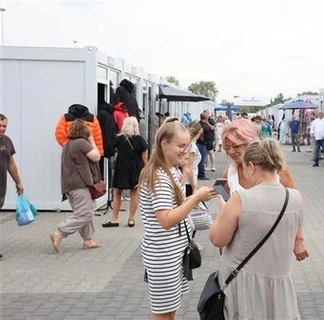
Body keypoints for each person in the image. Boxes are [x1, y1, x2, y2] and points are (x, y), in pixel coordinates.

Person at [210, 139, 303, 319]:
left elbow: (217, 239)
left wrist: (223, 209)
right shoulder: (296, 198)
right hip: (281, 283)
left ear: (251, 166)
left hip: (244, 282)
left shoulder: (241, 198)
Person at [138, 120, 217, 320]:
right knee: (163, 313)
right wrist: (196, 199)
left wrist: (191, 198)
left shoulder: (170, 170)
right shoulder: (159, 176)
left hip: (172, 252)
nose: (186, 151)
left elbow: (172, 207)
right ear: (164, 144)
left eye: (187, 146)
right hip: (163, 255)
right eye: (181, 146)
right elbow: (165, 220)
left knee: (168, 310)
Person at [220, 119, 309, 261]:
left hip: (272, 242)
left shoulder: (277, 170)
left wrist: (298, 239)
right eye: (226, 148)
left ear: (249, 142)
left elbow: (295, 205)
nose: (231, 152)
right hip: (239, 245)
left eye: (236, 146)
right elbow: (222, 203)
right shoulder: (229, 175)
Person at [50, 119, 102, 253]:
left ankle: (87, 240)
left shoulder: (68, 144)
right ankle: (60, 232)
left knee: (84, 212)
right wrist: (91, 140)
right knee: (85, 213)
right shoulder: (82, 143)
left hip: (69, 185)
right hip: (80, 184)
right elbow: (96, 157)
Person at [102, 117, 148, 228]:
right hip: (136, 168)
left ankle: (115, 219)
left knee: (117, 193)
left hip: (121, 167)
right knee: (134, 193)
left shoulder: (119, 139)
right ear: (136, 126)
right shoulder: (140, 140)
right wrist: (146, 171)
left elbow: (112, 149)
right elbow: (145, 158)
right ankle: (131, 219)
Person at [0, 114, 24, 260]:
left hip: (1, 188)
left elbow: (11, 164)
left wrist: (18, 182)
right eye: (0, 126)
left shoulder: (7, 141)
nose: (2, 129)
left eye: (4, 126)